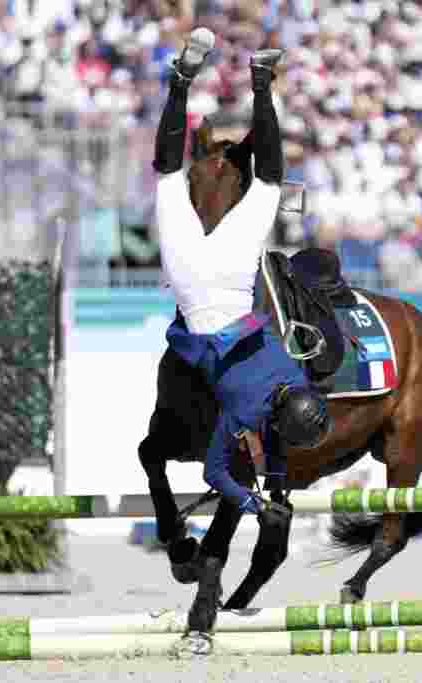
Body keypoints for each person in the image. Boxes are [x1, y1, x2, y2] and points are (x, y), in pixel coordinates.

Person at [150, 28, 332, 527]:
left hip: (231, 283)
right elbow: (217, 474)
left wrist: (265, 498)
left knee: (268, 180)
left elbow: (279, 436)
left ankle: (259, 82)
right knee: (166, 177)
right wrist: (260, 499)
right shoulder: (244, 413)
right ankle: (182, 81)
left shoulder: (295, 379)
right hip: (191, 287)